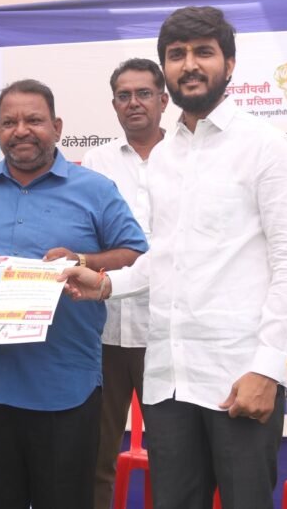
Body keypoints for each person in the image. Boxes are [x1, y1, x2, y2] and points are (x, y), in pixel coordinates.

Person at [63, 6, 287, 509]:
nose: (190, 65)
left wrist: (267, 369)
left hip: (238, 376)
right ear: (166, 69)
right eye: (176, 55)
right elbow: (165, 257)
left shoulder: (263, 146)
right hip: (169, 382)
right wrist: (107, 284)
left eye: (204, 52)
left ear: (230, 64)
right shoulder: (166, 156)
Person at [0, 79, 148, 509]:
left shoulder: (95, 188)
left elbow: (135, 253)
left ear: (57, 127)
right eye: (9, 122)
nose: (21, 131)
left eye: (34, 120)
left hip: (64, 384)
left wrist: (84, 260)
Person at [82, 57, 168, 509]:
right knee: (95, 456)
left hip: (167, 332)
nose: (134, 103)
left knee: (174, 458)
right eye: (124, 95)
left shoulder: (187, 157)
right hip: (104, 332)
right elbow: (86, 236)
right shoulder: (96, 163)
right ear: (114, 104)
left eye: (144, 94)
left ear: (164, 100)